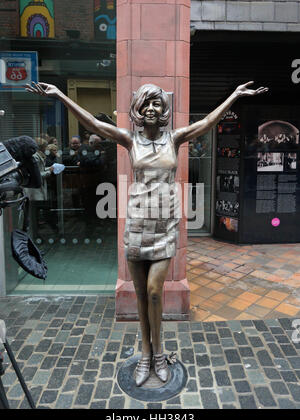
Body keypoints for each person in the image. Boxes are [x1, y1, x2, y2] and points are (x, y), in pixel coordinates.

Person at [26, 80, 268, 387]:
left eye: (156, 104)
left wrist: (233, 94)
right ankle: (145, 352)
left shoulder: (175, 138)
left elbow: (207, 122)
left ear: (163, 109)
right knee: (141, 295)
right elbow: (93, 123)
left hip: (165, 224)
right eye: (145, 104)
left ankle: (159, 353)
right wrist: (61, 95)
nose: (151, 109)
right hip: (138, 224)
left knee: (155, 290)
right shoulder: (130, 140)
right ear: (138, 110)